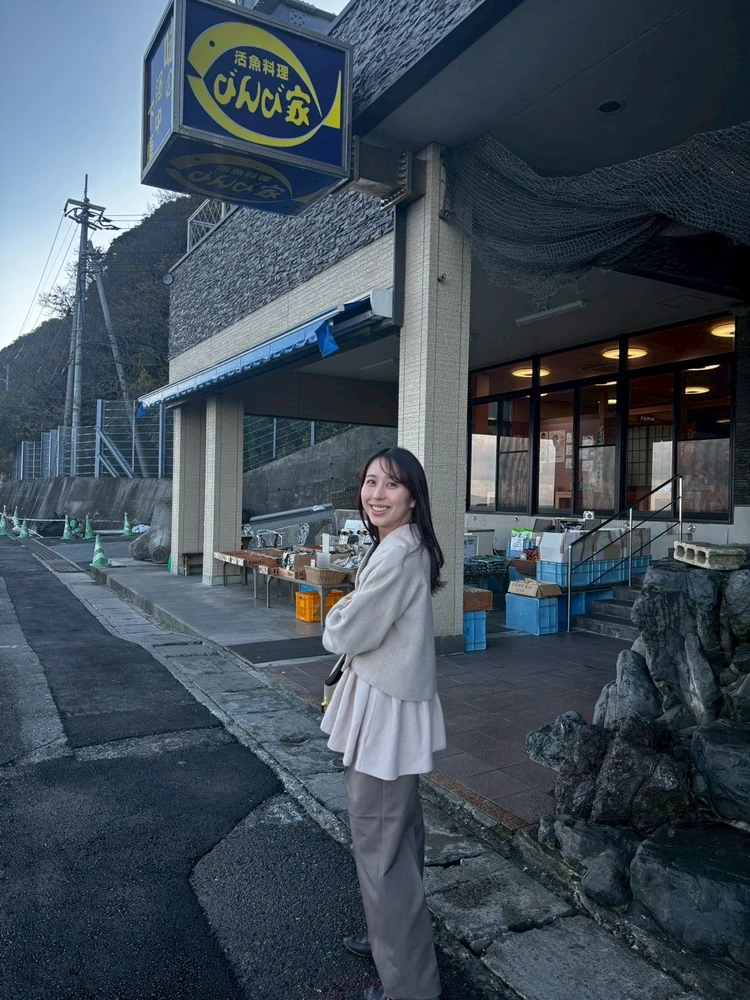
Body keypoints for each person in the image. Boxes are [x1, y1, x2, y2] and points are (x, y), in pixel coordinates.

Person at [321, 447, 446, 1000]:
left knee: (382, 850)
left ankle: (409, 985)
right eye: (371, 482)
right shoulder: (403, 546)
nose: (377, 494)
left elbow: (345, 633)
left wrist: (338, 610)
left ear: (412, 496)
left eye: (391, 485)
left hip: (383, 715)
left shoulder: (397, 554)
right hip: (392, 711)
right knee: (400, 838)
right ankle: (389, 940)